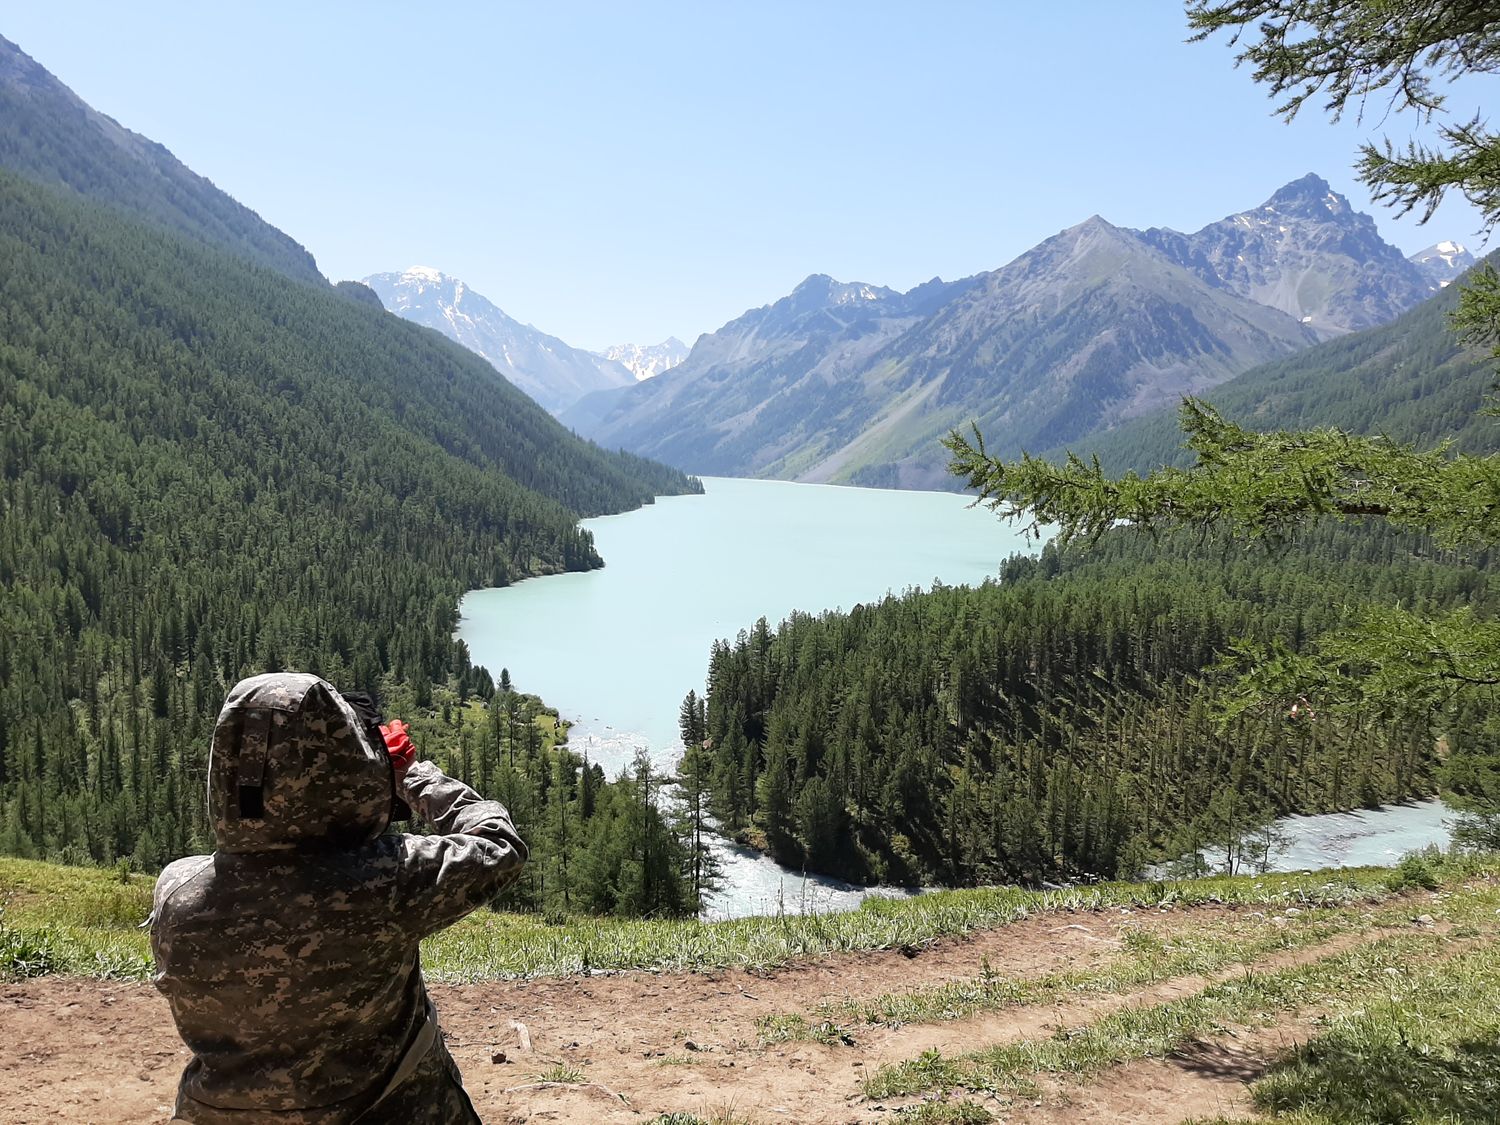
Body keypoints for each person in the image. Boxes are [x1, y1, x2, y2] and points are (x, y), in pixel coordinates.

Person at [150, 671, 527, 1123]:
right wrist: (413, 776)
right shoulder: (385, 879)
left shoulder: (177, 890)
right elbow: (499, 847)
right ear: (348, 772)